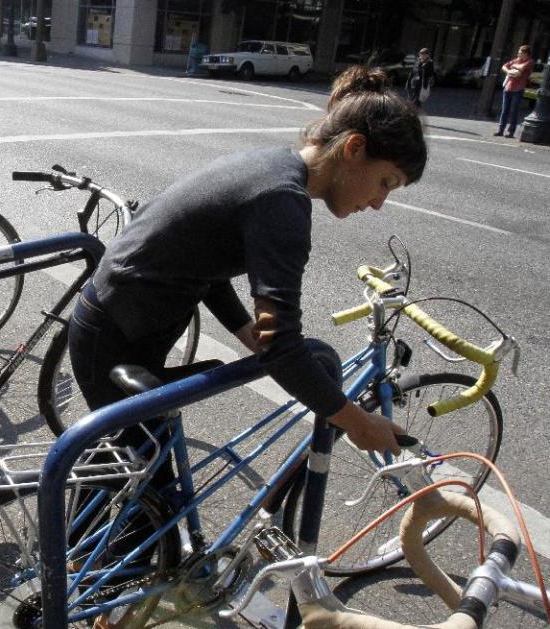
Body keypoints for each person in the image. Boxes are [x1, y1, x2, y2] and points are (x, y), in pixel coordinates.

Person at [68, 66, 427, 490]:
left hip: (116, 324)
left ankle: (76, 550)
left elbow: (201, 258)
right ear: (353, 147)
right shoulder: (282, 201)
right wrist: (355, 421)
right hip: (115, 337)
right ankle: (74, 553)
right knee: (145, 495)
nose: (379, 203)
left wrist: (244, 329)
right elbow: (284, 348)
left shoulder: (273, 167)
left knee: (126, 476)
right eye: (385, 182)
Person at [495, 44, 535, 138]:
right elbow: (504, 66)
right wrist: (509, 71)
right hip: (508, 88)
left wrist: (514, 66)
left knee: (514, 110)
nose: (518, 54)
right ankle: (500, 130)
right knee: (505, 110)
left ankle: (511, 132)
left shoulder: (530, 61)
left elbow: (522, 68)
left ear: (526, 54)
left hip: (518, 89)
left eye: (520, 52)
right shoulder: (516, 60)